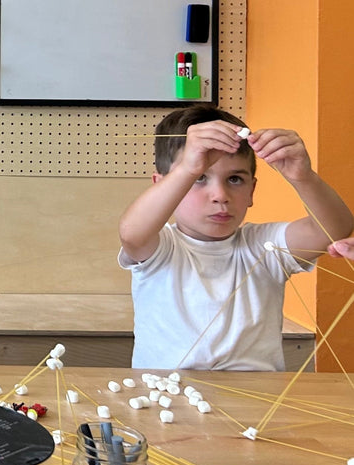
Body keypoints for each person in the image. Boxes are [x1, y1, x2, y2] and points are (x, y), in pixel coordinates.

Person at [118, 107, 353, 370]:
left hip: (256, 402)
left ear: (252, 190)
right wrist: (187, 168)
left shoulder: (261, 246)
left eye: (234, 179)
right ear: (163, 186)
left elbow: (334, 230)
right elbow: (132, 234)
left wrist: (303, 177)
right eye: (199, 178)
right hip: (166, 399)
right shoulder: (161, 248)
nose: (220, 195)